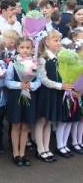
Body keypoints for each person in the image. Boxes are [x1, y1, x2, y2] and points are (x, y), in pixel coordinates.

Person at [36, 30, 74, 162]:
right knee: (41, 121)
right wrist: (60, 86)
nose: (58, 43)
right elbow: (43, 79)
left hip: (56, 93)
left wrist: (67, 83)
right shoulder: (43, 58)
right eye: (55, 40)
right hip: (46, 93)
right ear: (47, 42)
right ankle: (40, 149)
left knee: (49, 121)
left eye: (59, 40)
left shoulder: (61, 58)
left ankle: (47, 148)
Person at [5, 37, 41, 167]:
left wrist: (31, 85)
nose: (25, 50)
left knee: (26, 125)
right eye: (22, 47)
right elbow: (7, 82)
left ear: (32, 49)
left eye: (28, 48)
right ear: (17, 48)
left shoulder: (35, 64)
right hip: (16, 96)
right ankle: (15, 153)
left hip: (29, 95)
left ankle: (23, 152)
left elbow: (38, 81)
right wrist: (19, 84)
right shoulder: (13, 63)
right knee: (16, 124)